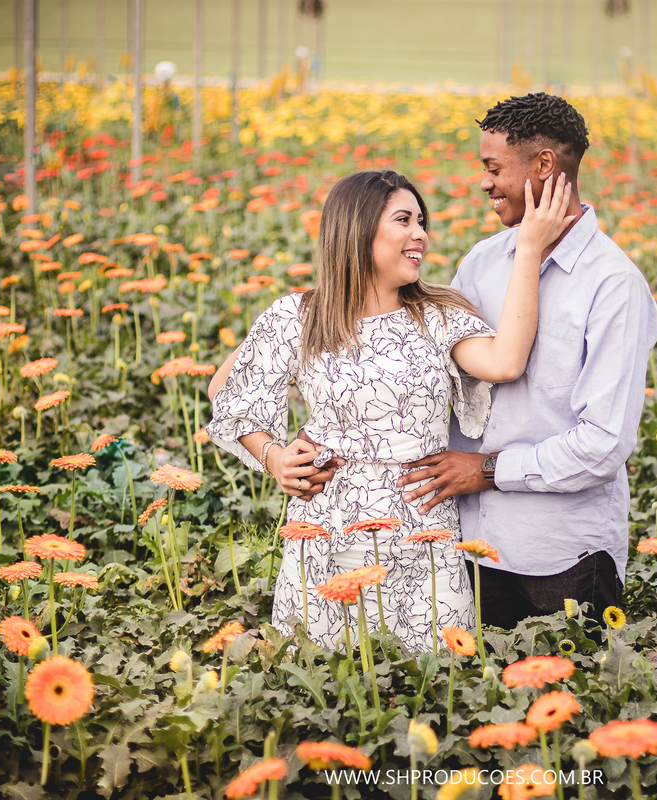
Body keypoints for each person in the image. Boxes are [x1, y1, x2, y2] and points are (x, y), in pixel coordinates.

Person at [205, 169, 574, 651]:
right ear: (357, 228)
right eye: (404, 220)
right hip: (327, 529)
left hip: (423, 529)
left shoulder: (437, 315)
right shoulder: (299, 316)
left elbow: (505, 363)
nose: (420, 234)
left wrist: (528, 249)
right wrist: (274, 458)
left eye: (421, 221)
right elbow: (227, 391)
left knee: (436, 673)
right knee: (328, 674)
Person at [396, 93, 657, 629]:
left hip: (562, 554)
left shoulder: (614, 285)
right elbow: (438, 376)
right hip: (471, 545)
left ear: (543, 165)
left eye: (495, 169)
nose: (485, 183)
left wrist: (488, 470)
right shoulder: (483, 261)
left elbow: (604, 445)